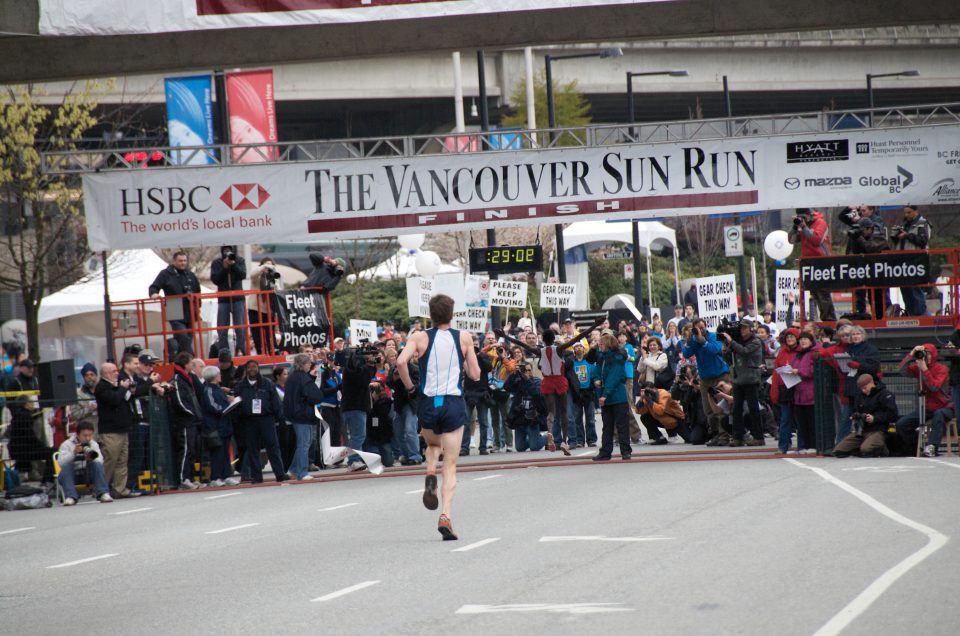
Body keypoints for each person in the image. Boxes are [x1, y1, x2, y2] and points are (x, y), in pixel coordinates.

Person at [397, 294, 481, 541]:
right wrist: (464, 362)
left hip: (428, 401)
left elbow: (401, 361)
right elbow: (475, 374)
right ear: (451, 314)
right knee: (452, 464)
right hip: (453, 402)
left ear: (430, 315)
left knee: (433, 445)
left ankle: (430, 471)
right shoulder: (463, 338)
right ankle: (445, 515)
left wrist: (411, 388)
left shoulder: (419, 337)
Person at [499, 318, 604, 455]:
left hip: (547, 381)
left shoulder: (540, 351)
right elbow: (578, 337)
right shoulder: (560, 349)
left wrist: (504, 336)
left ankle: (550, 434)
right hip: (559, 380)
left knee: (551, 413)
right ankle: (565, 441)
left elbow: (520, 343)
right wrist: (595, 324)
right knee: (564, 412)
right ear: (554, 338)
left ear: (542, 339)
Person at [96, 357, 146, 498]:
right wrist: (123, 389)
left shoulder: (117, 385)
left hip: (123, 428)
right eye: (113, 371)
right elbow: (114, 400)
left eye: (116, 371)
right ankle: (102, 488)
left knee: (122, 461)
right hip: (110, 430)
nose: (116, 373)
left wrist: (127, 390)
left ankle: (120, 488)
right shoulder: (102, 387)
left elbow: (125, 399)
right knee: (110, 460)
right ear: (105, 373)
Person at [235, 360, 289, 482]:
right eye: (249, 367)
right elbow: (236, 404)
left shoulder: (267, 383)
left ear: (258, 368)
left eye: (254, 367)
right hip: (249, 421)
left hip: (267, 419)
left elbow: (276, 402)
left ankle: (280, 474)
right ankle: (256, 476)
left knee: (273, 447)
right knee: (253, 449)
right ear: (246, 370)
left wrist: (280, 419)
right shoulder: (240, 386)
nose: (252, 369)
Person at [895, 344, 953, 457]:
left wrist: (925, 370)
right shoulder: (918, 367)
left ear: (934, 355)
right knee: (902, 424)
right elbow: (902, 371)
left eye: (929, 353)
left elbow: (934, 387)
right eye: (924, 353)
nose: (926, 356)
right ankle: (915, 446)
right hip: (926, 408)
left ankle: (932, 447)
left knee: (939, 414)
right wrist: (911, 355)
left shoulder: (942, 369)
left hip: (944, 406)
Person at [681, 319, 731, 444]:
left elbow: (714, 350)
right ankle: (715, 435)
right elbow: (686, 354)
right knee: (709, 409)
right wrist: (689, 340)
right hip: (705, 378)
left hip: (720, 375)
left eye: (702, 328)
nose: (701, 330)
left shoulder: (713, 336)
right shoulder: (693, 340)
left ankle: (724, 436)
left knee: (721, 407)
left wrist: (702, 340)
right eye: (698, 328)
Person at [6, 359, 55, 484]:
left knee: (40, 441)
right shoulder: (15, 382)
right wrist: (19, 412)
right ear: (21, 368)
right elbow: (9, 401)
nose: (31, 369)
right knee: (37, 447)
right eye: (28, 367)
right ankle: (30, 472)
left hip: (37, 416)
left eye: (32, 367)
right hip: (26, 419)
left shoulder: (35, 380)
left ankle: (34, 471)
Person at [719, 321, 765, 447]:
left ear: (750, 329)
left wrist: (731, 342)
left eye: (745, 328)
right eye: (741, 328)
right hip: (738, 379)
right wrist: (725, 349)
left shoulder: (755, 342)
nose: (742, 330)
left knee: (753, 409)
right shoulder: (737, 342)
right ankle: (738, 437)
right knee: (736, 409)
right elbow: (729, 360)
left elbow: (744, 352)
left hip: (750, 380)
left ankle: (758, 437)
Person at [148, 251, 202, 357]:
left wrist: (197, 309)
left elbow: (197, 293)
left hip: (189, 309)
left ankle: (182, 359)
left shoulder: (189, 274)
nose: (183, 263)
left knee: (188, 337)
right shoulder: (165, 274)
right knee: (182, 336)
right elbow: (154, 287)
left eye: (184, 261)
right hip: (174, 306)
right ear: (174, 261)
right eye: (180, 261)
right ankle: (192, 358)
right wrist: (154, 294)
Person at [283, 353, 327, 480]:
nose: (310, 365)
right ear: (303, 364)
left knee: (302, 444)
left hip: (295, 414)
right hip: (304, 414)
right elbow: (316, 396)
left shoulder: (292, 378)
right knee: (304, 444)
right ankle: (302, 472)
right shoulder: (304, 379)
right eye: (308, 363)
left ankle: (294, 468)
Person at [832, 374, 898, 458]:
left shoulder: (885, 394)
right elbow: (856, 410)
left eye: (865, 387)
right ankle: (862, 447)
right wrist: (855, 416)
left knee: (866, 449)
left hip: (878, 430)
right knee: (838, 451)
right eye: (861, 389)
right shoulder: (860, 396)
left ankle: (882, 448)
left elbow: (892, 414)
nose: (863, 390)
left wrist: (875, 418)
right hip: (861, 430)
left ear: (872, 382)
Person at [788, 208, 836, 321]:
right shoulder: (801, 226)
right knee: (815, 293)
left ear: (810, 215)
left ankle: (830, 319)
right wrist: (795, 227)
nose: (802, 220)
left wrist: (804, 227)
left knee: (823, 293)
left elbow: (816, 240)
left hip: (822, 263)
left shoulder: (821, 223)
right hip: (809, 264)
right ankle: (823, 319)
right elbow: (791, 240)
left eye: (804, 217)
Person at [593, 333, 633, 461]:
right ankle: (605, 452)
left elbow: (614, 377)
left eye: (602, 344)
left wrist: (604, 394)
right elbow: (597, 371)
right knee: (607, 426)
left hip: (617, 396)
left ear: (608, 344)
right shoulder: (602, 358)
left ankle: (625, 451)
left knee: (622, 426)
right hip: (608, 397)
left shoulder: (617, 357)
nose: (600, 346)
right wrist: (597, 379)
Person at [341, 341, 379, 472]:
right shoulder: (352, 369)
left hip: (355, 406)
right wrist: (369, 364)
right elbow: (364, 380)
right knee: (358, 435)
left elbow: (368, 376)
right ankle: (352, 461)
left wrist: (370, 364)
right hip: (354, 407)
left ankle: (356, 459)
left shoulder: (354, 368)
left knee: (358, 435)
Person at [169, 351, 204, 489]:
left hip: (191, 420)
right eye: (190, 363)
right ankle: (183, 478)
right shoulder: (178, 379)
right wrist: (190, 413)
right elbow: (179, 400)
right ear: (185, 364)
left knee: (191, 450)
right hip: (184, 421)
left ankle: (189, 477)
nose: (192, 365)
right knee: (185, 449)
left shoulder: (187, 378)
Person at [57, 421, 113, 505]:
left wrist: (91, 459)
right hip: (72, 475)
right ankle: (71, 497)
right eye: (84, 435)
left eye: (90, 435)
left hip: (88, 474)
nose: (87, 438)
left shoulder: (93, 444)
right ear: (77, 434)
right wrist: (73, 453)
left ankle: (103, 493)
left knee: (97, 465)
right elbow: (61, 462)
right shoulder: (67, 444)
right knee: (66, 468)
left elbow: (100, 460)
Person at [200, 366, 239, 487]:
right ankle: (216, 477)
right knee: (217, 453)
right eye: (218, 374)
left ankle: (226, 475)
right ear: (214, 376)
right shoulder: (209, 390)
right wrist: (226, 407)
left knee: (225, 452)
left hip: (224, 425)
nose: (220, 376)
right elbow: (212, 406)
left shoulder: (217, 389)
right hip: (216, 426)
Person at [892, 205, 932, 316]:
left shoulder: (923, 223)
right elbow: (897, 242)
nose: (906, 215)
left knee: (915, 288)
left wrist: (907, 235)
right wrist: (895, 235)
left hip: (916, 261)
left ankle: (921, 314)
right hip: (902, 260)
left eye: (909, 212)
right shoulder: (904, 224)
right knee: (905, 289)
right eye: (905, 213)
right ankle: (910, 313)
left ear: (916, 211)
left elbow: (923, 240)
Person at [847, 217, 890, 317]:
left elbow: (870, 248)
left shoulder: (879, 236)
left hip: (879, 273)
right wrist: (854, 239)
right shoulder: (859, 237)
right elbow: (852, 252)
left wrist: (859, 237)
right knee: (862, 294)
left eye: (863, 230)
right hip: (864, 272)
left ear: (870, 228)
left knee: (878, 297)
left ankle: (881, 318)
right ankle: (861, 314)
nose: (861, 233)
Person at [211, 245, 248, 355]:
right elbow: (215, 280)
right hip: (223, 299)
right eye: (225, 250)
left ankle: (240, 348)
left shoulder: (240, 260)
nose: (227, 253)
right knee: (222, 327)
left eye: (230, 250)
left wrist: (234, 265)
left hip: (237, 298)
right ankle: (224, 350)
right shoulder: (217, 263)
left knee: (240, 326)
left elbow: (242, 275)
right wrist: (224, 267)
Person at [504, 362, 548, 452]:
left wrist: (527, 380)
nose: (526, 372)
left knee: (534, 447)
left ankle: (548, 437)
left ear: (532, 371)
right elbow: (506, 387)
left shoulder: (537, 381)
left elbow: (536, 394)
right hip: (520, 419)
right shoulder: (518, 382)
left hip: (532, 419)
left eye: (528, 370)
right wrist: (513, 374)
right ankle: (534, 439)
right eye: (524, 370)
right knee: (520, 447)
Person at [788, 332, 819, 454]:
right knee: (802, 423)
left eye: (805, 339)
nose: (803, 341)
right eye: (801, 339)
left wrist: (798, 371)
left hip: (810, 392)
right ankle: (804, 446)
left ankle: (813, 445)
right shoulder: (799, 355)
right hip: (798, 393)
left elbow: (813, 370)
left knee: (811, 421)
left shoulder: (814, 353)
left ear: (811, 341)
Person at [771, 328, 800, 453]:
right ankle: (783, 445)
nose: (790, 339)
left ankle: (803, 444)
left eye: (792, 337)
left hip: (799, 388)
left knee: (800, 419)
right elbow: (776, 372)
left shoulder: (802, 352)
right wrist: (774, 390)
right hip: (785, 388)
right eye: (788, 337)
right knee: (785, 419)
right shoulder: (782, 352)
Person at [569, 342, 599, 448]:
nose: (578, 348)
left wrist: (594, 384)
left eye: (580, 346)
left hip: (588, 392)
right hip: (577, 393)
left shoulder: (589, 361)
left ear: (583, 348)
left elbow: (594, 374)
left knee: (590, 417)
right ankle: (579, 440)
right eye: (576, 347)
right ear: (574, 350)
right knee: (577, 418)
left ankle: (591, 439)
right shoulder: (572, 363)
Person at [70, 363, 99, 431]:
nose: (89, 377)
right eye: (86, 375)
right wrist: (88, 409)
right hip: (86, 433)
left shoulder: (103, 391)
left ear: (96, 375)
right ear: (83, 377)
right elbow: (74, 414)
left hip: (101, 432)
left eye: (92, 374)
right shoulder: (78, 394)